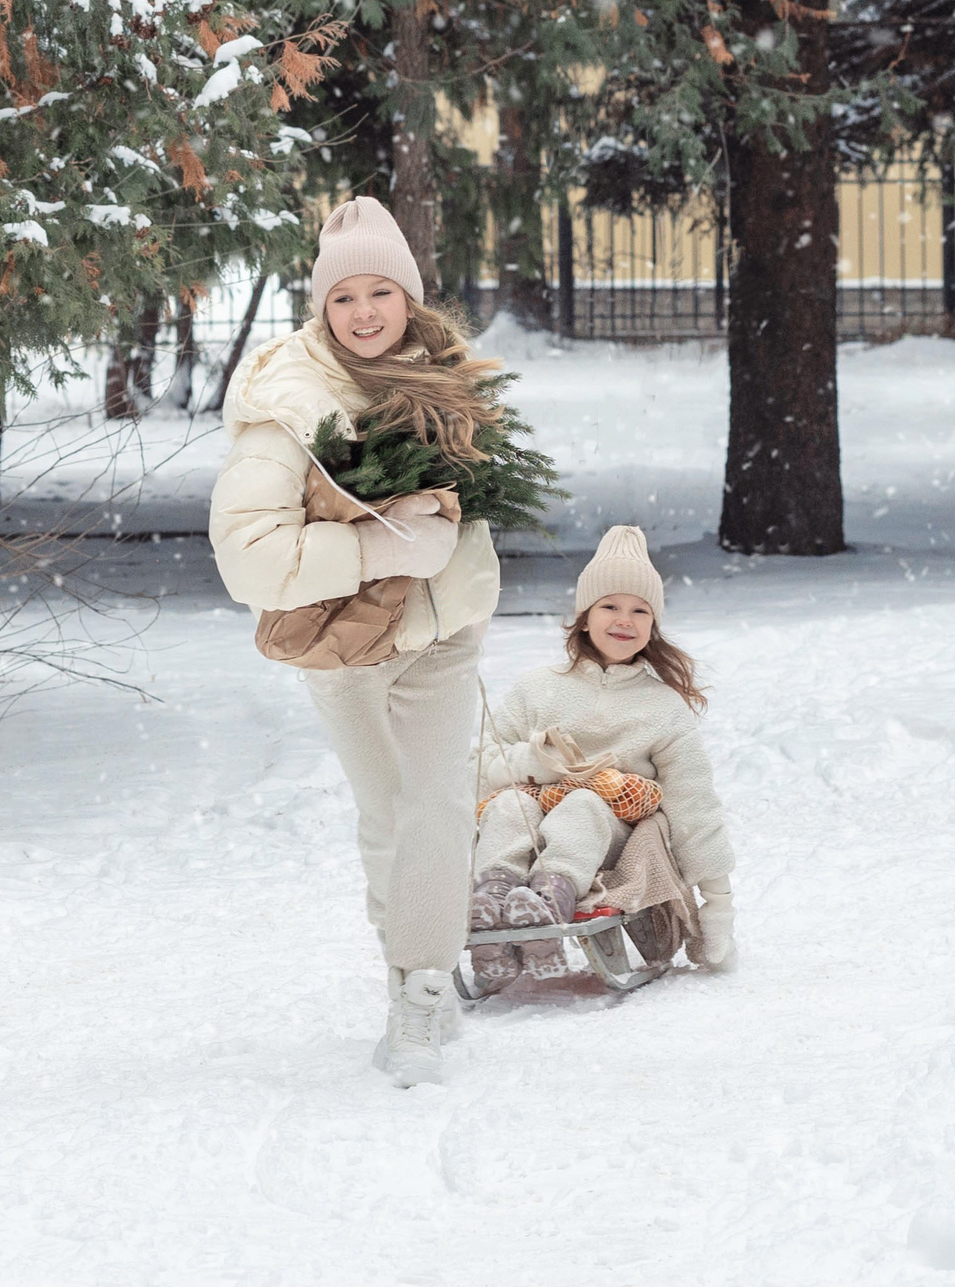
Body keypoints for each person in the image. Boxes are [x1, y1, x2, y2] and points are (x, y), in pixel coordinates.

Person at [208, 195, 504, 1087]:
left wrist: (452, 534)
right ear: (320, 306)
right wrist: (373, 545)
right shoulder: (285, 403)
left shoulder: (450, 381)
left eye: (383, 291)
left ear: (410, 299)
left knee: (437, 805)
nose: (366, 313)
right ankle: (409, 967)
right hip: (342, 644)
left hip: (444, 631)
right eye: (344, 297)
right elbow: (248, 559)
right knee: (391, 815)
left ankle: (418, 992)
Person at [467, 525, 736, 988]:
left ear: (653, 626)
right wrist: (535, 764)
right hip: (529, 820)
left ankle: (548, 901)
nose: (624, 620)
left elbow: (693, 803)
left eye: (640, 610)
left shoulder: (662, 707)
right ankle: (494, 900)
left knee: (583, 805)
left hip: (612, 835)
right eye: (610, 605)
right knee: (510, 806)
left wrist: (718, 904)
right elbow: (479, 762)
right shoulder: (539, 687)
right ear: (584, 616)